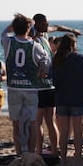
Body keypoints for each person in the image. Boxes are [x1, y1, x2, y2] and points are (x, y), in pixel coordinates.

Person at [1, 13, 50, 155]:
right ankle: (30, 152)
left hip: (13, 87)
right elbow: (46, 62)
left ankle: (18, 153)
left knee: (16, 124)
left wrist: (13, 26)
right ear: (29, 29)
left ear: (15, 27)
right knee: (32, 124)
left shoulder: (8, 42)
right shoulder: (34, 45)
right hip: (31, 88)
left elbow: (4, 32)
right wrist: (41, 72)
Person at [52, 33, 83, 166]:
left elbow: (54, 80)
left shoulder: (57, 59)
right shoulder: (80, 59)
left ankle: (63, 158)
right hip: (77, 99)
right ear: (73, 45)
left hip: (62, 98)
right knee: (78, 132)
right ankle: (77, 158)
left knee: (64, 132)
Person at [31, 13, 63, 156]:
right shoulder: (35, 36)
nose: (47, 24)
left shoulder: (42, 36)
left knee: (48, 122)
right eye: (44, 22)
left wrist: (71, 30)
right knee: (42, 122)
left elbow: (55, 27)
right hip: (42, 85)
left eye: (47, 22)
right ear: (36, 23)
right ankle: (42, 150)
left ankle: (51, 150)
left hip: (47, 86)